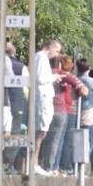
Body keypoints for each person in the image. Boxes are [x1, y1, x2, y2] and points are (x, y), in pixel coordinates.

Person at [42, 55, 86, 174]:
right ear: (60, 64)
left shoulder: (42, 72)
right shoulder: (62, 74)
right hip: (60, 110)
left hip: (42, 108)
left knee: (41, 138)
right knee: (56, 140)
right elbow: (83, 89)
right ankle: (50, 167)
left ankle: (38, 164)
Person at [33, 39, 62, 175]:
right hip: (41, 98)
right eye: (56, 51)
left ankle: (35, 163)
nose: (56, 55)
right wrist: (54, 77)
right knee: (40, 131)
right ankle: (34, 163)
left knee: (42, 131)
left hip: (45, 97)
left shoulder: (42, 58)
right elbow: (40, 78)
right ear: (50, 47)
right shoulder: (40, 57)